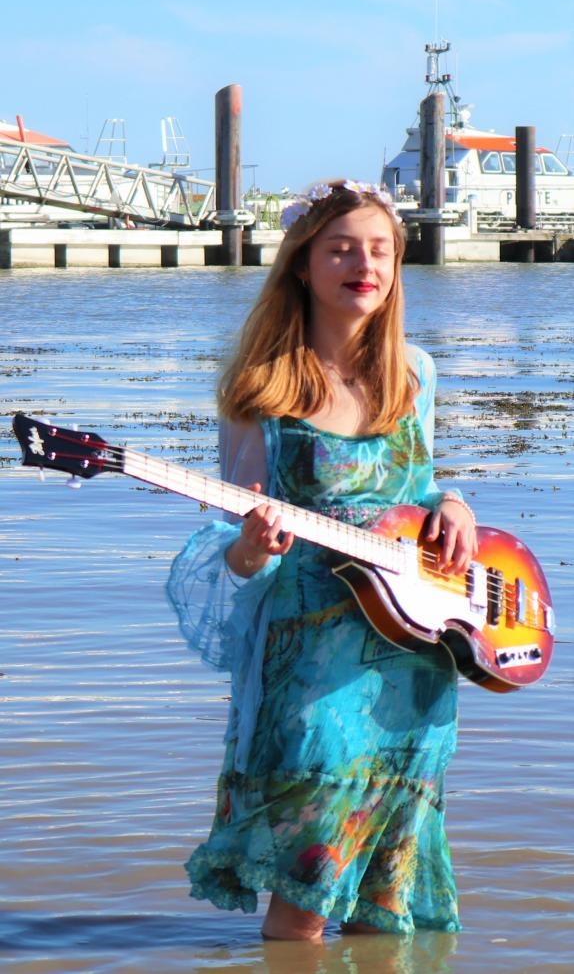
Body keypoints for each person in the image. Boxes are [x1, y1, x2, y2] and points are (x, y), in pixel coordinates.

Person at [167, 179, 478, 943]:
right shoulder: (262, 392)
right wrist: (250, 549)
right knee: (305, 891)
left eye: (379, 250)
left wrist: (455, 505)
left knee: (387, 898)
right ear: (302, 265)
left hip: (415, 655)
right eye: (340, 249)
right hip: (311, 662)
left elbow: (419, 489)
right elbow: (234, 546)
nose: (363, 265)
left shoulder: (415, 374)